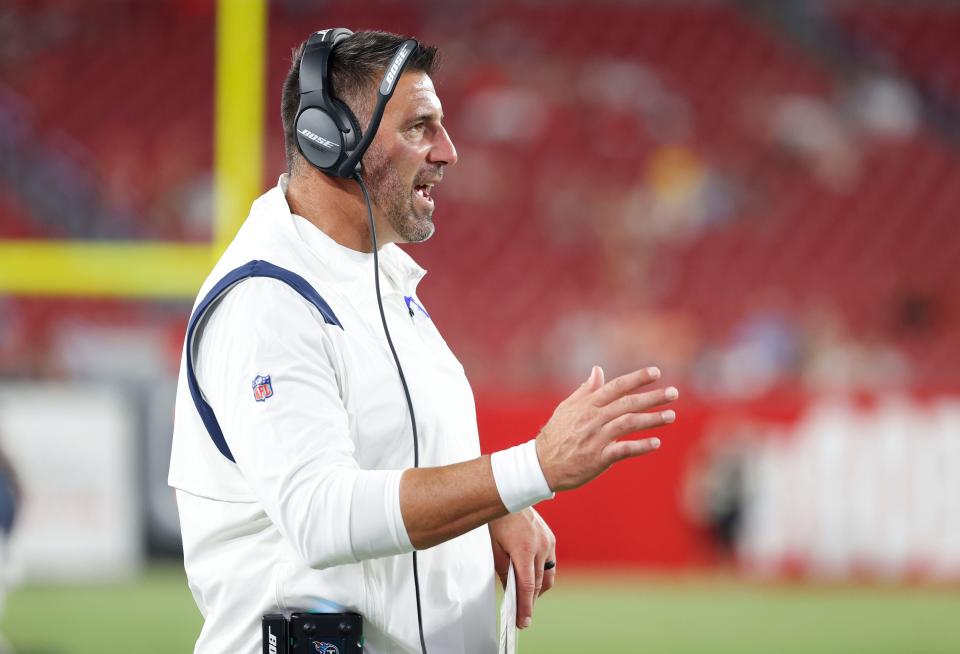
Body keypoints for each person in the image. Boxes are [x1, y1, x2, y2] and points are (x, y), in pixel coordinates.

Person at [169, 29, 679, 654]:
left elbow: (391, 447)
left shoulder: (375, 274)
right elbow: (323, 515)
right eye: (419, 126)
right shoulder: (266, 301)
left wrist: (490, 511)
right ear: (330, 139)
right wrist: (531, 470)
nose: (449, 151)